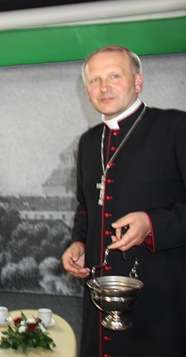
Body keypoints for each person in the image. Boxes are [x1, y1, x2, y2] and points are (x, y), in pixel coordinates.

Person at [62, 46, 186, 356]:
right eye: (95, 80)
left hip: (161, 286)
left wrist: (152, 224)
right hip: (100, 290)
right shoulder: (89, 141)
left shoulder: (176, 127)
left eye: (114, 76)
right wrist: (79, 242)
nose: (104, 88)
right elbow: (86, 207)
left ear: (138, 82)